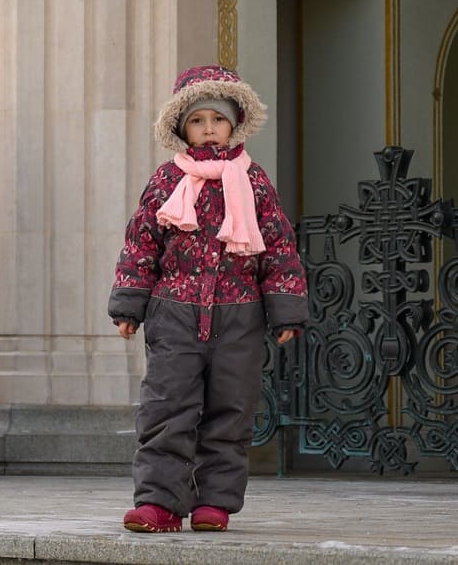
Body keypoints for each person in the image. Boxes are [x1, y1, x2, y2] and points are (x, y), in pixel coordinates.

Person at [108, 65, 309, 533]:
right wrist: (129, 305)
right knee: (166, 408)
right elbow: (142, 243)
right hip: (174, 313)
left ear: (234, 122)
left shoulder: (253, 181)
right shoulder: (167, 180)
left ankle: (214, 502)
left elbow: (278, 246)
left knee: (230, 410)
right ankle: (159, 503)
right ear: (182, 128)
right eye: (197, 121)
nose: (207, 129)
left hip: (239, 316)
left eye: (216, 120)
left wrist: (286, 309)